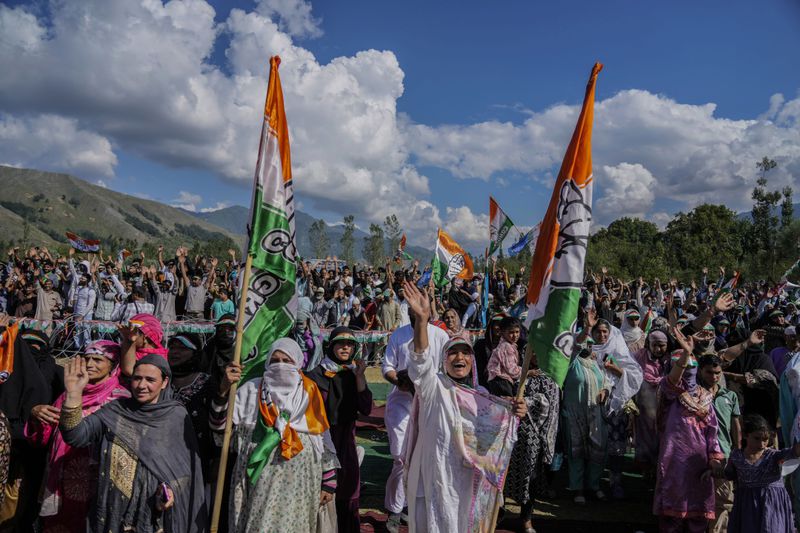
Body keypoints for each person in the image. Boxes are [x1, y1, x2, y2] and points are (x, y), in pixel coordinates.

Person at [400, 280, 525, 532]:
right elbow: (420, 362)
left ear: (472, 360)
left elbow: (497, 436)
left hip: (468, 483)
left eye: (465, 353)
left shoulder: (482, 397)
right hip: (434, 480)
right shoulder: (432, 387)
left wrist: (514, 413)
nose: (460, 357)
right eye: (453, 353)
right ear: (444, 359)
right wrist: (422, 322)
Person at [59, 354, 207, 532]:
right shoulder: (116, 410)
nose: (142, 385)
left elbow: (184, 468)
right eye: (137, 378)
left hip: (152, 512)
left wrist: (170, 491)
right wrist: (74, 394)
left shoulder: (175, 416)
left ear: (165, 382)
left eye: (150, 379)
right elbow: (76, 436)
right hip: (111, 508)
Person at [224, 338, 339, 533]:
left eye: (287, 361)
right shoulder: (251, 390)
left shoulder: (308, 391)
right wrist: (224, 388)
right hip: (258, 482)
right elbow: (223, 429)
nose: (281, 366)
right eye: (275, 360)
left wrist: (328, 480)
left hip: (300, 483)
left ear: (298, 363)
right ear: (267, 362)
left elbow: (321, 436)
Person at [25, 341, 130, 533]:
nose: (90, 364)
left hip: (96, 479)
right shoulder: (68, 394)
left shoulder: (119, 398)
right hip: (60, 475)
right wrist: (36, 416)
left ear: (113, 365)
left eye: (98, 360)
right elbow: (45, 437)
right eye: (87, 359)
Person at [381, 293, 450, 528]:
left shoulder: (440, 336)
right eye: (413, 304)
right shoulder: (398, 335)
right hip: (401, 403)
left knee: (426, 456)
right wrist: (398, 381)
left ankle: (413, 503)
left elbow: (446, 369)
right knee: (401, 457)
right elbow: (387, 367)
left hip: (431, 403)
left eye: (423, 302)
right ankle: (394, 509)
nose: (418, 307)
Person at [654, 328, 724, 532]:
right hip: (674, 460)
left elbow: (712, 431)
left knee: (698, 514)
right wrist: (685, 354)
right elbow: (673, 381)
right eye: (684, 367)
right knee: (672, 513)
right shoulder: (670, 394)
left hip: (699, 462)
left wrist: (714, 458)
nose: (688, 371)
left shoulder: (705, 397)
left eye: (692, 366)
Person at [307, 326, 373, 533]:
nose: (345, 347)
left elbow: (366, 408)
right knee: (323, 495)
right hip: (321, 443)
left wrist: (360, 376)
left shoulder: (354, 374)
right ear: (331, 346)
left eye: (350, 344)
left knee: (349, 494)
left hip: (347, 442)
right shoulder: (314, 376)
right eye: (340, 343)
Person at [590, 317, 642, 500]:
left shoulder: (619, 350)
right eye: (598, 331)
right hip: (592, 404)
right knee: (593, 444)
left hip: (615, 407)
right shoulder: (587, 350)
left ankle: (615, 481)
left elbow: (634, 376)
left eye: (605, 331)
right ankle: (592, 483)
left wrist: (614, 369)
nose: (602, 335)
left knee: (616, 447)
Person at [562, 311, 611, 504]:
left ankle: (594, 485)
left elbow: (607, 381)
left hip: (595, 413)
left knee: (597, 450)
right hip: (575, 414)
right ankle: (578, 488)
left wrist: (605, 391)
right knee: (577, 452)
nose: (588, 347)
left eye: (591, 344)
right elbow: (574, 346)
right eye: (586, 343)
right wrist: (587, 328)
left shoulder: (597, 363)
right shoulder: (571, 362)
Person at [505, 363, 560, 533]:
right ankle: (498, 514)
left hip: (532, 437)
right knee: (502, 476)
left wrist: (526, 401)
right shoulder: (516, 370)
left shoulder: (550, 377)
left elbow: (548, 403)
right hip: (508, 432)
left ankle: (526, 519)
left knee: (530, 477)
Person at [724, 414, 798, 532]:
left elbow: (794, 452)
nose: (762, 444)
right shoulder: (736, 457)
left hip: (773, 508)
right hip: (747, 510)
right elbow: (727, 474)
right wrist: (712, 470)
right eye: (757, 438)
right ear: (745, 436)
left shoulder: (773, 456)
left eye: (765, 439)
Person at [696, 353, 741, 533]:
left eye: (718, 373)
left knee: (723, 501)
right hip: (698, 454)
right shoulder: (693, 394)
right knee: (699, 498)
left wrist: (737, 453)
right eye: (709, 372)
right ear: (700, 371)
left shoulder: (730, 395)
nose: (714, 377)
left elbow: (735, 427)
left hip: (725, 455)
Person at [633, 329, 670, 472]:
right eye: (655, 345)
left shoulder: (669, 360)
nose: (658, 349)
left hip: (664, 406)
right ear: (649, 344)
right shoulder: (639, 356)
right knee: (645, 436)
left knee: (662, 437)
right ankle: (645, 468)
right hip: (644, 405)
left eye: (662, 345)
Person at [486, 316, 523, 397]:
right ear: (502, 332)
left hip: (499, 381)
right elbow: (512, 370)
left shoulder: (510, 345)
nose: (515, 335)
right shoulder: (506, 346)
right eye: (511, 332)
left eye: (517, 332)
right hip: (501, 381)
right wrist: (526, 372)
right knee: (507, 405)